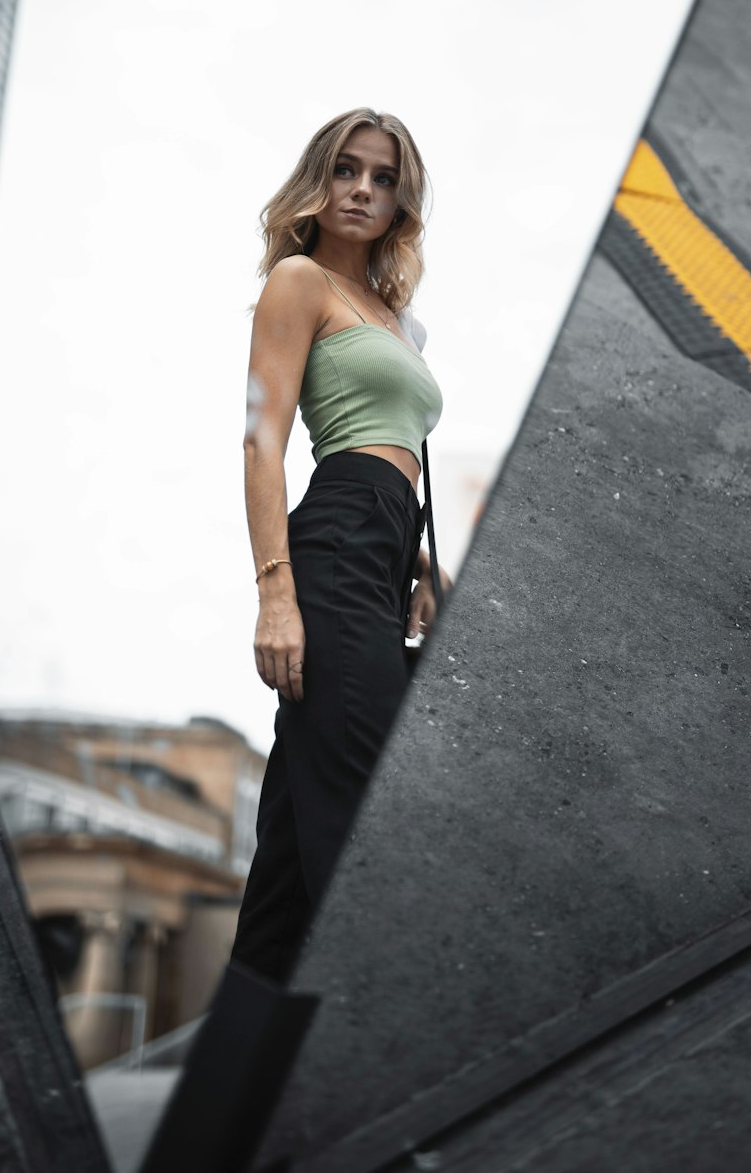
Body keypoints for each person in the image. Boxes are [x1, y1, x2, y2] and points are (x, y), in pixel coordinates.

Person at [229, 107, 449, 984]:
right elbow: (259, 439)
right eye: (348, 170)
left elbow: (403, 449)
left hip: (387, 552)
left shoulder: (396, 315)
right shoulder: (299, 281)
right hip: (332, 547)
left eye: (384, 177)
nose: (363, 188)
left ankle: (242, 1075)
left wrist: (422, 565)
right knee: (367, 811)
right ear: (318, 182)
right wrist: (275, 594)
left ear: (403, 201)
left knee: (290, 859)